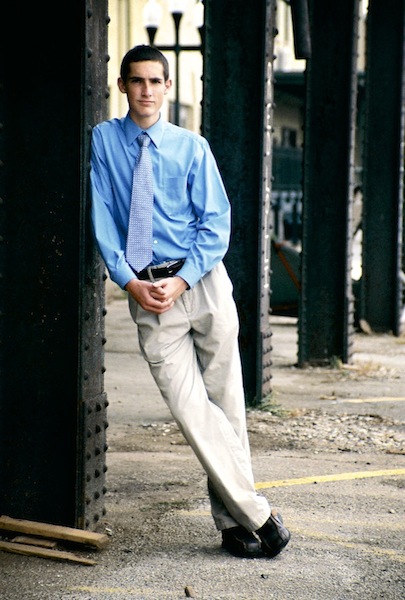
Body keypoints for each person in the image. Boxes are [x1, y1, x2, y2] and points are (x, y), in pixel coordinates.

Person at [90, 44, 290, 559]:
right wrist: (129, 281)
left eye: (155, 81)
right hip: (146, 291)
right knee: (189, 408)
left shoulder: (191, 147)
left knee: (227, 405)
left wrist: (182, 281)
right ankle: (259, 515)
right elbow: (102, 216)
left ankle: (234, 525)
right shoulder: (103, 142)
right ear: (122, 86)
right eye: (136, 81)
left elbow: (215, 224)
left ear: (168, 87)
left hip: (202, 284)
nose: (146, 91)